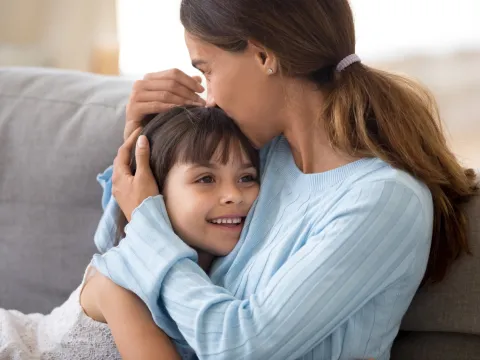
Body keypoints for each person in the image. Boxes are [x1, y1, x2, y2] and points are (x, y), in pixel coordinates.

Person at [90, 0, 479, 359]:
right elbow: (116, 256)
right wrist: (141, 142)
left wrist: (146, 219)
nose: (208, 98)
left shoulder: (381, 200)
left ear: (262, 56)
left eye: (206, 70)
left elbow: (240, 345)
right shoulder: (262, 158)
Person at [0, 106, 260, 360]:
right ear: (152, 191)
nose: (234, 196)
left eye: (247, 178)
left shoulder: (235, 270)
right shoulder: (119, 283)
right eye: (205, 179)